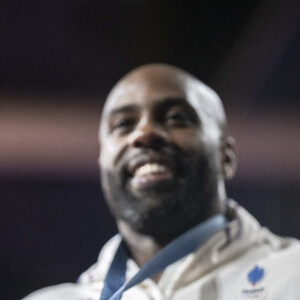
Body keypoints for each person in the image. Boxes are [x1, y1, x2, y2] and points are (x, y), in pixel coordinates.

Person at [23, 64, 300, 300]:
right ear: (102, 160)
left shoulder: (292, 275)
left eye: (176, 118)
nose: (143, 133)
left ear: (225, 156)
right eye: (123, 124)